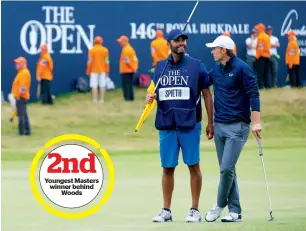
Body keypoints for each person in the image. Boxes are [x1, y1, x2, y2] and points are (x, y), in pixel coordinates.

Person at [147, 29, 214, 223]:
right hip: (167, 124)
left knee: (193, 165)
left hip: (190, 124)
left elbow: (207, 94)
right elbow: (154, 93)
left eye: (184, 40)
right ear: (169, 43)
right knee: (167, 168)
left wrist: (211, 122)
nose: (182, 43)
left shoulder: (197, 66)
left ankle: (194, 209)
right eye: (177, 40)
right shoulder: (160, 67)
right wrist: (150, 97)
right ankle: (166, 210)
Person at [204, 35, 261, 222]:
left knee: (226, 168)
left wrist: (256, 122)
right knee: (228, 169)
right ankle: (235, 211)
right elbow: (203, 82)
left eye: (215, 49)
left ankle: (219, 205)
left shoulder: (242, 68)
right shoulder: (217, 68)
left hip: (238, 126)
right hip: (219, 125)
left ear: (224, 50)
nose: (212, 51)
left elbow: (254, 94)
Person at [11, 57, 32, 136]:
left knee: (21, 115)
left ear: (22, 64)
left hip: (21, 97)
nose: (16, 65)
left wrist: (18, 96)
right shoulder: (21, 72)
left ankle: (21, 132)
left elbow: (23, 87)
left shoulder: (24, 73)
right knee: (24, 114)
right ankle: (27, 131)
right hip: (21, 97)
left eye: (17, 63)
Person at [86, 36, 110, 103]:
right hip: (102, 70)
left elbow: (89, 62)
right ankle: (102, 99)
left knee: (94, 85)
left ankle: (94, 99)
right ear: (101, 42)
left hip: (94, 70)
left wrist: (88, 71)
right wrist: (107, 70)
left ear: (94, 42)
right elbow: (107, 61)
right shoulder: (105, 50)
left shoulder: (91, 50)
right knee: (102, 85)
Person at [117, 35, 138, 101]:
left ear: (124, 42)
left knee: (126, 85)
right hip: (130, 70)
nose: (120, 43)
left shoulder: (126, 50)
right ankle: (131, 97)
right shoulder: (130, 48)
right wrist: (134, 68)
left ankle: (127, 98)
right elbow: (135, 59)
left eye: (120, 42)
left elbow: (127, 61)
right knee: (129, 84)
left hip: (126, 70)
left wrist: (132, 68)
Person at [255, 23, 271, 89]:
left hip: (261, 57)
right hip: (267, 57)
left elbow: (260, 49)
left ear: (260, 29)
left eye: (257, 29)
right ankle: (267, 86)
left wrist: (257, 57)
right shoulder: (267, 36)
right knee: (265, 73)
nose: (256, 30)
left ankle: (260, 87)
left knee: (260, 73)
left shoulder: (261, 37)